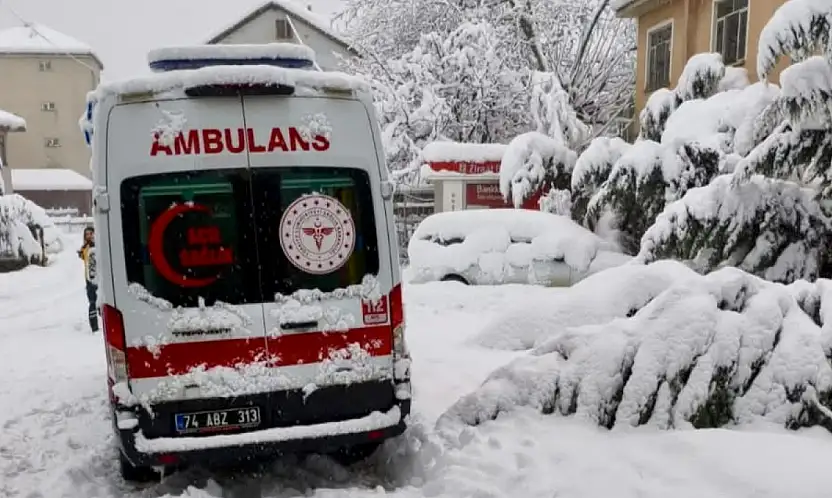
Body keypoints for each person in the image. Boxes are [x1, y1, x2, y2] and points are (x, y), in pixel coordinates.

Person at [78, 226, 99, 332]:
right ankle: (94, 327)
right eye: (87, 234)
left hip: (99, 278)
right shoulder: (85, 248)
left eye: (91, 233)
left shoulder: (98, 245)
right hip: (89, 280)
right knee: (92, 302)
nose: (89, 236)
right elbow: (84, 256)